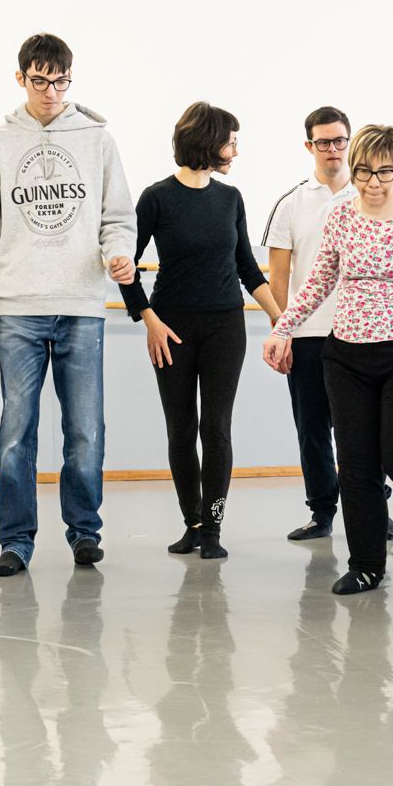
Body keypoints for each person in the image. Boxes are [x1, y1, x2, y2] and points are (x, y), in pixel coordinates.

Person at [265, 125, 393, 596]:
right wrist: (283, 327)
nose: (373, 183)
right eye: (363, 172)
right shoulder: (341, 217)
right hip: (347, 356)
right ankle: (365, 566)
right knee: (357, 465)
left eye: (384, 172)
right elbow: (318, 282)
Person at [0, 33, 137, 578]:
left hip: (82, 304)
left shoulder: (97, 141)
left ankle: (85, 533)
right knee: (16, 433)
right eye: (40, 81)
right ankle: (16, 542)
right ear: (21, 79)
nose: (52, 92)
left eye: (61, 82)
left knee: (85, 430)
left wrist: (119, 254)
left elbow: (117, 217)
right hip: (17, 306)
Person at [122, 102, 282, 560]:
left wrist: (281, 318)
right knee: (181, 429)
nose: (235, 151)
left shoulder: (231, 199)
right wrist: (148, 318)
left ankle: (212, 527)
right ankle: (192, 523)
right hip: (170, 328)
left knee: (216, 429)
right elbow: (126, 265)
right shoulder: (156, 198)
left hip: (225, 327)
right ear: (208, 143)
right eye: (231, 142)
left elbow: (247, 268)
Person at [263, 107, 393, 544]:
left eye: (340, 140)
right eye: (323, 142)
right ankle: (321, 512)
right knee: (313, 430)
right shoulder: (291, 204)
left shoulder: (372, 197)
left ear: (350, 142)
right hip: (307, 336)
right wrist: (282, 331)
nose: (333, 149)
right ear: (310, 146)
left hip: (360, 335)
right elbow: (278, 278)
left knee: (362, 430)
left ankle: (377, 511)